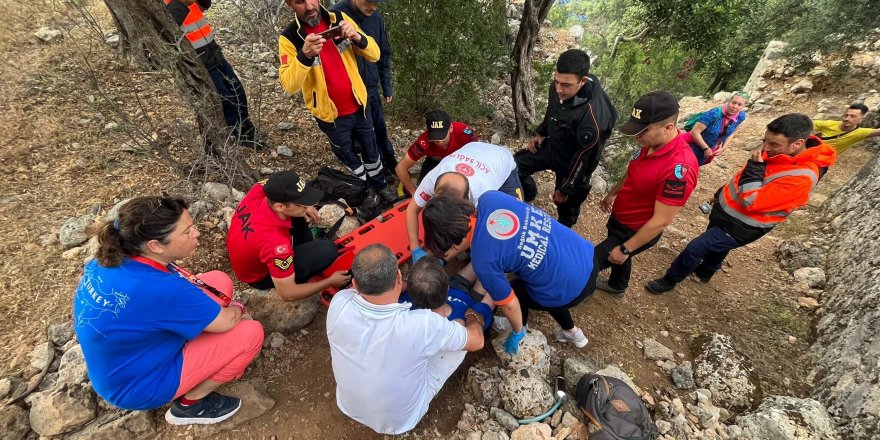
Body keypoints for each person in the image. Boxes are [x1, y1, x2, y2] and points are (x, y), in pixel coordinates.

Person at [73, 196, 264, 425]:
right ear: (155, 245)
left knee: (218, 281)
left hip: (121, 362)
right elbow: (227, 322)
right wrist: (237, 310)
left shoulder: (110, 258)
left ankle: (191, 346)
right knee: (249, 333)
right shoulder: (161, 289)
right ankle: (191, 404)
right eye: (187, 231)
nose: (197, 233)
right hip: (139, 384)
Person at [646, 114, 837, 294]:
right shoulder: (776, 154)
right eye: (765, 140)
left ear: (797, 144)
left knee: (697, 248)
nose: (766, 147)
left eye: (773, 144)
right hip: (727, 212)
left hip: (743, 226)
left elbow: (752, 201)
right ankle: (705, 272)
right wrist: (720, 193)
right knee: (717, 246)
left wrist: (755, 167)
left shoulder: (802, 177)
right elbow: (741, 178)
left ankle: (669, 280)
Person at [326, 244, 485, 434]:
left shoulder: (340, 303)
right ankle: (488, 286)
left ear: (355, 285)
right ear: (399, 278)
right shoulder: (423, 325)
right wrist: (472, 316)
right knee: (458, 326)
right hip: (400, 420)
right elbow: (477, 341)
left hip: (350, 405)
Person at [421, 192, 598, 354]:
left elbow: (510, 305)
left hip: (570, 289)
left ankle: (522, 325)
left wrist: (517, 331)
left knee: (516, 291)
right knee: (544, 275)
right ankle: (573, 333)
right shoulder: (490, 198)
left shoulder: (484, 260)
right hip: (584, 257)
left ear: (451, 239)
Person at [279, 0, 395, 207]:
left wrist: (358, 36)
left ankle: (379, 184)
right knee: (347, 154)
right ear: (289, 5)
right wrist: (304, 55)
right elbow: (289, 84)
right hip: (330, 115)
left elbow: (375, 54)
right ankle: (364, 188)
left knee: (371, 149)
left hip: (359, 105)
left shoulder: (339, 19)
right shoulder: (289, 37)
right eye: (299, 2)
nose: (309, 6)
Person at [594, 91, 699, 298]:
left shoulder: (679, 169)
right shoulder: (648, 144)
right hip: (621, 218)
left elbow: (662, 220)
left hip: (634, 230)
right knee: (617, 255)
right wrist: (612, 194)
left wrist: (626, 248)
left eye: (643, 131)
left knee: (590, 262)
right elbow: (633, 171)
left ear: (668, 128)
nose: (637, 136)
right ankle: (617, 285)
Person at [515, 49, 617, 227]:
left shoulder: (593, 117)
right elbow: (553, 111)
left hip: (574, 160)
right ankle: (528, 193)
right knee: (515, 166)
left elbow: (584, 157)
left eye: (566, 85)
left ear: (583, 81)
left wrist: (565, 188)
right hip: (554, 144)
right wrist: (542, 133)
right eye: (557, 82)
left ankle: (563, 230)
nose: (558, 89)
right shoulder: (559, 87)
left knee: (566, 205)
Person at [227, 171, 351, 301]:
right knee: (328, 250)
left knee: (298, 216)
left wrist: (303, 207)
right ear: (280, 206)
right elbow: (288, 294)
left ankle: (306, 249)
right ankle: (305, 270)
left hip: (250, 248)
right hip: (259, 276)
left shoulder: (261, 190)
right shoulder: (276, 245)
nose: (308, 205)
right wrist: (330, 282)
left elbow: (272, 183)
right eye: (301, 203)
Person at [164, 0, 263, 148]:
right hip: (201, 63)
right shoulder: (169, 6)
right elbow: (167, 32)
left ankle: (247, 128)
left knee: (238, 91)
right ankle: (237, 134)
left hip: (216, 55)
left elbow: (204, 5)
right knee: (226, 97)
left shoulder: (187, 2)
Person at [406, 142, 522, 263]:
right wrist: (415, 249)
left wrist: (444, 259)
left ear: (466, 202)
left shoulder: (484, 197)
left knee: (512, 222)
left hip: (501, 159)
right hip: (473, 149)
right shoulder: (432, 180)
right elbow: (412, 209)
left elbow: (475, 231)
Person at [329, 0, 396, 175]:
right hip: (349, 94)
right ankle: (365, 178)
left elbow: (383, 52)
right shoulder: (333, 17)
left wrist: (386, 85)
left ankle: (390, 166)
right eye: (369, 2)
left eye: (377, 4)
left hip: (371, 89)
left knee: (379, 129)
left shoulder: (376, 18)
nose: (373, 7)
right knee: (358, 140)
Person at [395, 110, 479, 195]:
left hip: (460, 160)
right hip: (435, 162)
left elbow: (478, 152)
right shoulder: (424, 141)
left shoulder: (464, 132)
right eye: (435, 139)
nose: (439, 142)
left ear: (450, 128)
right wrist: (414, 193)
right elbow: (400, 168)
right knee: (426, 189)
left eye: (442, 138)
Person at [403, 258, 493, 330]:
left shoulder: (404, 302)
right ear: (447, 287)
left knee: (482, 258)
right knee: (494, 270)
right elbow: (483, 314)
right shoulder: (459, 323)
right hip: (472, 305)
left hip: (454, 288)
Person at [685, 91, 749, 165]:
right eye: (733, 102)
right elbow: (695, 132)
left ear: (744, 106)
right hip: (693, 145)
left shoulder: (740, 116)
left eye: (739, 104)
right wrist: (705, 148)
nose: (735, 106)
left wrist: (723, 147)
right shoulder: (714, 113)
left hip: (710, 149)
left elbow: (732, 132)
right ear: (728, 101)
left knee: (695, 165)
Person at [812, 104, 880, 155]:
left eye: (852, 116)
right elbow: (806, 124)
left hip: (823, 161)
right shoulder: (829, 124)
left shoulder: (860, 133)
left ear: (861, 120)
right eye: (846, 115)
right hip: (808, 151)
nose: (847, 119)